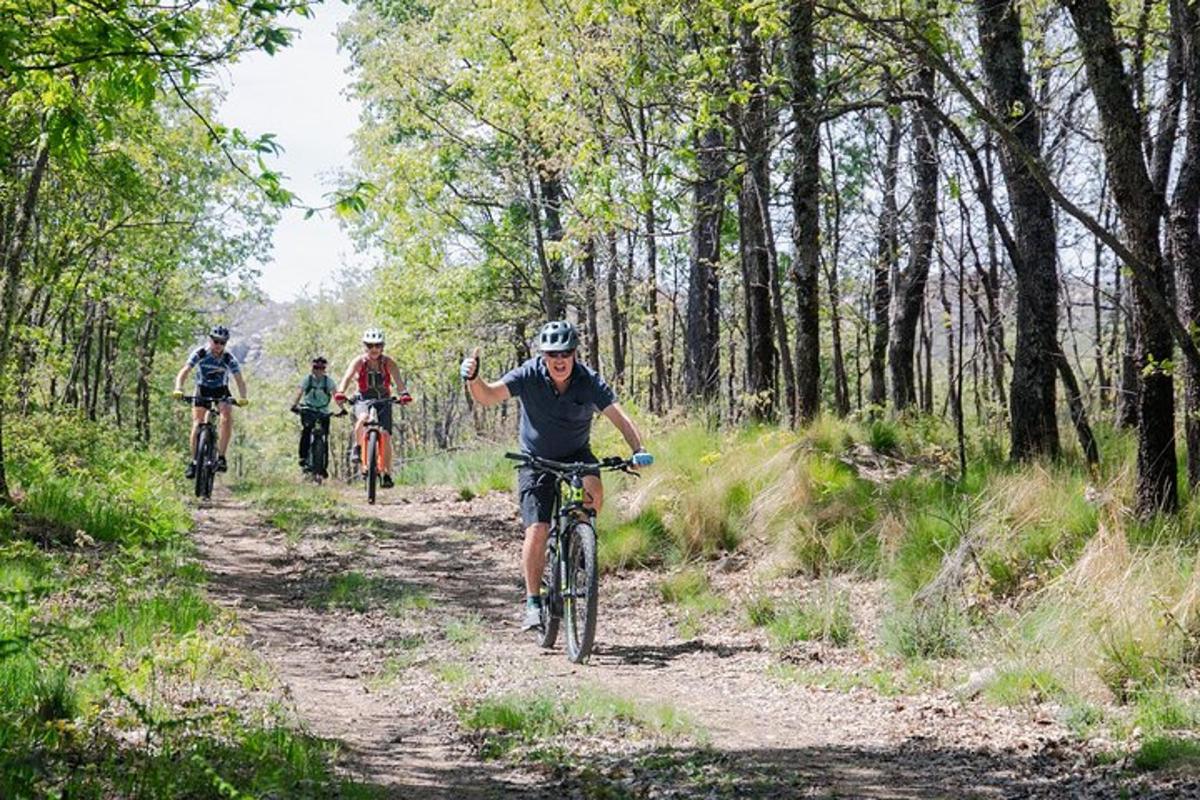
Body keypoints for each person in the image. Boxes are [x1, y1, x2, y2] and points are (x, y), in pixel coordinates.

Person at [460, 320, 651, 631]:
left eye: (566, 353)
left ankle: (578, 544)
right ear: (543, 356)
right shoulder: (528, 374)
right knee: (537, 529)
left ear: (574, 354)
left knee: (593, 494)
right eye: (552, 354)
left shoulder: (587, 380)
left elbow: (619, 416)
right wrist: (473, 378)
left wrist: (638, 448)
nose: (559, 360)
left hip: (576, 455)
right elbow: (489, 395)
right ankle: (534, 602)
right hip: (534, 459)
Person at [334, 328, 412, 488]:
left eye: (377, 345)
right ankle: (357, 448)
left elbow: (398, 380)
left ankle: (387, 474)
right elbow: (347, 377)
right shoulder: (359, 362)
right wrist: (341, 392)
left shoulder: (388, 362)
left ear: (382, 346)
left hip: (384, 399)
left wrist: (404, 393)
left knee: (386, 435)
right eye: (370, 346)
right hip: (364, 398)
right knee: (363, 419)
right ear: (365, 347)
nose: (374, 349)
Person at [173, 324, 249, 477]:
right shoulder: (200, 353)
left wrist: (243, 397)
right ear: (210, 340)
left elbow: (239, 380)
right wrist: (179, 388)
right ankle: (194, 462)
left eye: (222, 343)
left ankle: (221, 457)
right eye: (216, 341)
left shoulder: (228, 358)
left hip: (221, 390)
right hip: (203, 389)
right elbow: (185, 371)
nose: (218, 346)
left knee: (226, 417)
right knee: (197, 423)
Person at [290, 356, 343, 477]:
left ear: (325, 369)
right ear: (312, 368)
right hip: (308, 410)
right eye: (315, 367)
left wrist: (342, 409)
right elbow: (299, 392)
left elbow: (336, 395)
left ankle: (323, 467)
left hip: (323, 412)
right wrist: (294, 405)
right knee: (306, 431)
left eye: (321, 368)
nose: (318, 370)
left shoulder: (328, 382)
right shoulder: (307, 380)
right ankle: (303, 458)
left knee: (325, 438)